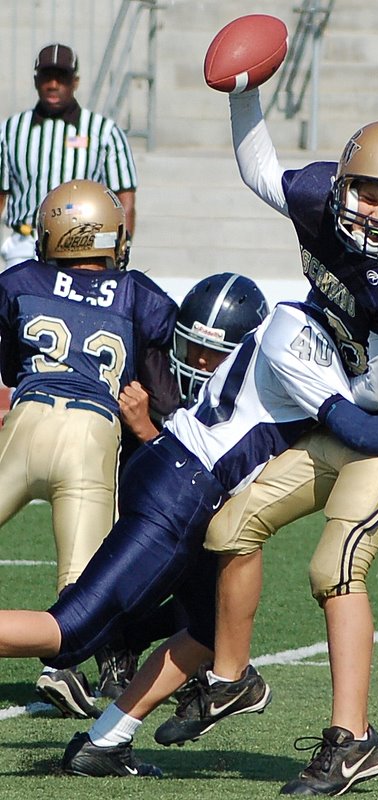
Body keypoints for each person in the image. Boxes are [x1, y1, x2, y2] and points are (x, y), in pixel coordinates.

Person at [133, 87, 378, 796]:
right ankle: (229, 679)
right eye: (369, 196)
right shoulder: (315, 204)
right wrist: (243, 94)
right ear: (341, 190)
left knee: (334, 565)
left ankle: (353, 740)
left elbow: (372, 404)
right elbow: (258, 168)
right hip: (345, 415)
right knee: (230, 526)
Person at [0, 289, 378, 777]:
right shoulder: (304, 344)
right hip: (185, 492)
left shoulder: (292, 321)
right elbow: (362, 432)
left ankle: (108, 740)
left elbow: (336, 436)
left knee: (211, 628)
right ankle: (231, 681)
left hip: (172, 472)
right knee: (69, 630)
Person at [43, 270, 270, 716]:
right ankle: (79, 657)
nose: (201, 363)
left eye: (214, 355)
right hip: (144, 508)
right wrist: (146, 431)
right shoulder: (151, 372)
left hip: (198, 509)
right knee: (177, 603)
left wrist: (150, 430)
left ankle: (122, 645)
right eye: (194, 349)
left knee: (208, 613)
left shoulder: (251, 395)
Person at [0, 178, 177, 717]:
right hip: (92, 432)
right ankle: (61, 669)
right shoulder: (138, 295)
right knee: (80, 578)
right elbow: (160, 393)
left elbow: (9, 366)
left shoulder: (20, 280)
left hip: (25, 421)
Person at [0, 43, 137, 269]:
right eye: (46, 77)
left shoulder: (103, 131)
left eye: (61, 77)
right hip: (26, 242)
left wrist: (123, 248)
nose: (53, 85)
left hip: (84, 244)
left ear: (75, 81)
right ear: (36, 81)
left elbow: (124, 197)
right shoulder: (11, 130)